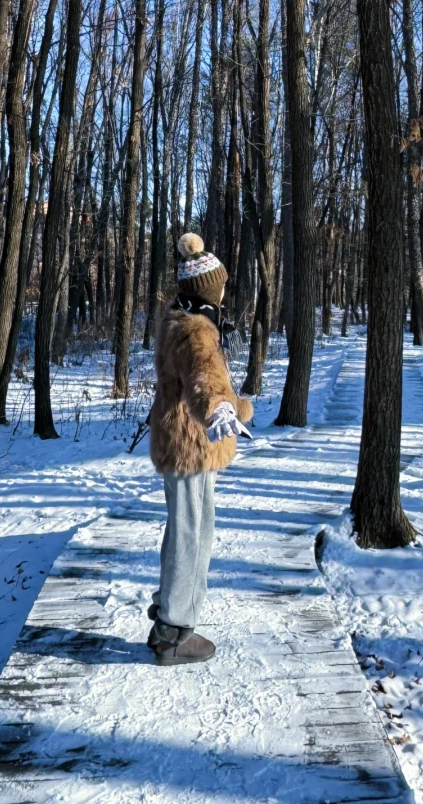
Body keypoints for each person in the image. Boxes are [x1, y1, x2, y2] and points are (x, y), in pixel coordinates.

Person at [146, 232, 253, 665]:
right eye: (222, 284)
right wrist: (227, 409)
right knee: (194, 534)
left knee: (183, 530)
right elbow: (204, 380)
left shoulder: (180, 317)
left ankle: (167, 618)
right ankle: (175, 632)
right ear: (210, 288)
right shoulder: (198, 331)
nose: (225, 290)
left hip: (178, 441)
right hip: (192, 443)